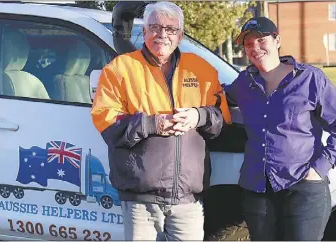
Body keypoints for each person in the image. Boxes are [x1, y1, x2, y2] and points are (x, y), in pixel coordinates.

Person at [90, 2, 231, 240]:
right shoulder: (120, 69)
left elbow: (221, 117)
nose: (162, 34)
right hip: (140, 198)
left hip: (188, 198)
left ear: (180, 35)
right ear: (143, 32)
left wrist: (198, 116)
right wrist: (152, 124)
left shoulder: (201, 69)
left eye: (170, 29)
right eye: (154, 27)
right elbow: (107, 123)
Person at [224, 17, 336, 241]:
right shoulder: (244, 82)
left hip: (303, 189)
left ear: (277, 41)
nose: (255, 47)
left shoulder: (309, 79)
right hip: (257, 189)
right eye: (248, 43)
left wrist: (319, 168)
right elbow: (218, 98)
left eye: (261, 40)